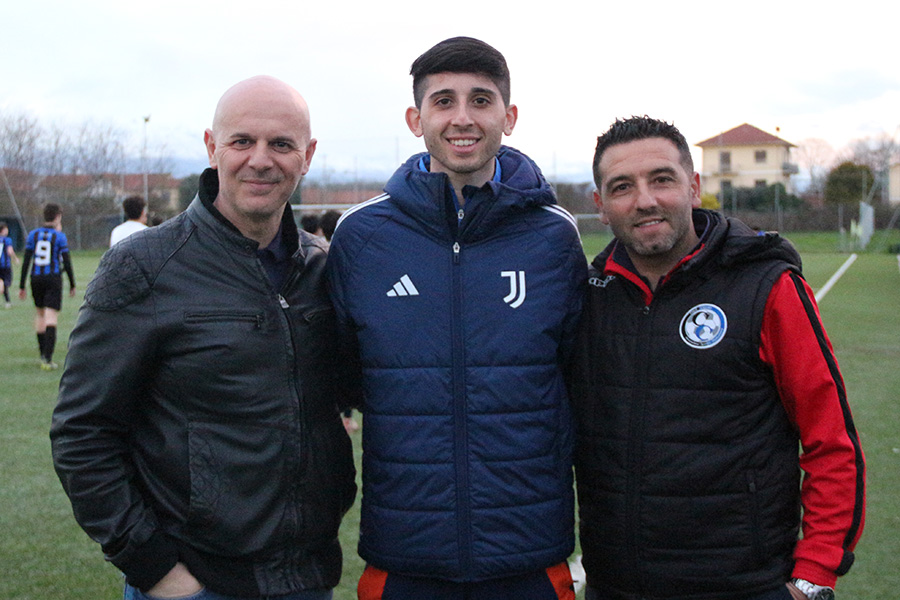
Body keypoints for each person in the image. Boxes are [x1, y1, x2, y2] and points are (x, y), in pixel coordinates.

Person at [50, 76, 357, 600]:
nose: (260, 159)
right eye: (242, 141)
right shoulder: (144, 266)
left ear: (307, 156)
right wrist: (154, 567)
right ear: (213, 148)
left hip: (306, 576)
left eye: (281, 144)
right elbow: (83, 432)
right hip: (195, 583)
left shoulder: (324, 269)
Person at [328, 37, 587, 600]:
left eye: (481, 100)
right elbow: (348, 377)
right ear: (415, 118)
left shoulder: (554, 236)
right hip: (406, 553)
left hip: (528, 554)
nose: (463, 117)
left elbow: (577, 378)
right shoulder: (361, 236)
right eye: (443, 101)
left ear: (509, 117)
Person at [572, 116, 866, 600]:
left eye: (662, 179)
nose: (645, 200)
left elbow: (832, 442)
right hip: (615, 586)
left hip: (743, 584)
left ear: (694, 187)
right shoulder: (588, 296)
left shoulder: (768, 287)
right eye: (622, 187)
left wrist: (813, 577)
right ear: (600, 206)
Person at [19, 203, 76, 369]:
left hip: (35, 278)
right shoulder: (59, 237)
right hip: (53, 278)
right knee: (51, 316)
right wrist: (72, 283)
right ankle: (48, 359)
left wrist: (22, 285)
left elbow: (26, 261)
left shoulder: (33, 235)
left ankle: (42, 354)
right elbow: (67, 261)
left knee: (40, 315)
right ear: (57, 217)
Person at [0, 221, 19, 308]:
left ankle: (7, 302)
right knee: (7, 283)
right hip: (5, 265)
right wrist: (15, 259)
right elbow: (9, 251)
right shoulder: (7, 240)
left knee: (3, 283)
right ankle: (7, 301)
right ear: (3, 230)